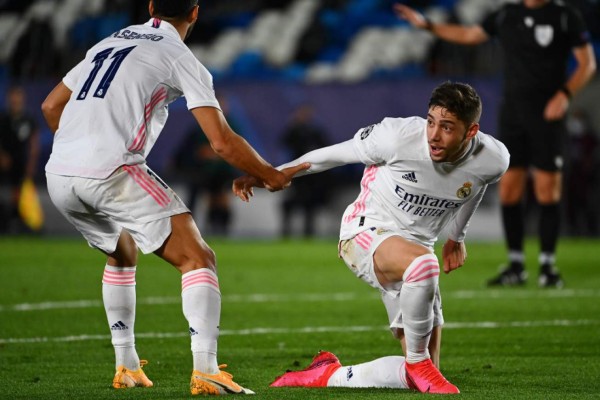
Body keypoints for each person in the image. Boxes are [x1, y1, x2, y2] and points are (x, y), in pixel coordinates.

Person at [40, 0, 308, 396]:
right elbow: (221, 141)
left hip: (59, 173)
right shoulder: (180, 57)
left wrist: (76, 149)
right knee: (198, 257)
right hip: (111, 169)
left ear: (151, 5)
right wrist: (269, 174)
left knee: (122, 251)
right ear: (195, 13)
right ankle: (206, 371)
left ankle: (127, 365)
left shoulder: (109, 41)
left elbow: (50, 105)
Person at [233, 82, 510, 394]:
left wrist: (456, 237)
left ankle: (329, 375)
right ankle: (418, 360)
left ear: (471, 132)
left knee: (417, 377)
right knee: (424, 270)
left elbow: (475, 184)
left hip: (415, 249)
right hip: (366, 231)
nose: (434, 134)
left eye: (447, 127)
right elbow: (333, 155)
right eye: (431, 121)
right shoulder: (396, 137)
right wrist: (274, 172)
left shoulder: (494, 159)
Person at [394, 0, 597, 288]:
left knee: (546, 189)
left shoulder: (564, 16)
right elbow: (469, 35)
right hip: (513, 113)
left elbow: (587, 63)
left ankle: (548, 266)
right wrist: (427, 25)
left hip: (548, 115)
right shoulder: (507, 15)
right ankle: (516, 265)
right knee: (510, 190)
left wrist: (564, 94)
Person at [174, 95, 239, 236]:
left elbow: (236, 148)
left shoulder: (231, 125)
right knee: (206, 199)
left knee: (221, 199)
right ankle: (198, 230)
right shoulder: (201, 126)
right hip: (204, 172)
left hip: (224, 171)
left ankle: (222, 230)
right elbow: (195, 150)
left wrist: (215, 153)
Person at [279, 104, 331, 237]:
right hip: (296, 175)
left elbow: (325, 149)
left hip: (312, 176)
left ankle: (308, 233)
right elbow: (284, 142)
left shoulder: (315, 132)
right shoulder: (293, 131)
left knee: (310, 206)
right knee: (290, 204)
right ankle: (286, 232)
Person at [0, 85, 40, 233]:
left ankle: (22, 223)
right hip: (4, 163)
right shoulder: (3, 119)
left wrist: (31, 163)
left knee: (21, 194)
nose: (15, 100)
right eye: (13, 97)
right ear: (8, 99)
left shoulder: (29, 119)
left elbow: (34, 144)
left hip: (21, 163)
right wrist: (2, 156)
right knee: (6, 193)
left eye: (18, 97)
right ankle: (5, 222)